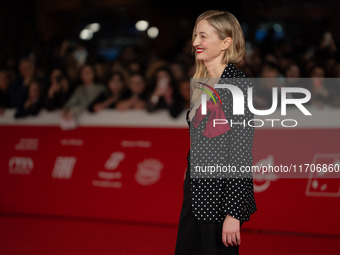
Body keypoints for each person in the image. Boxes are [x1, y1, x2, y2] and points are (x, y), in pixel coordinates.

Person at [175, 10, 257, 255]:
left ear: (226, 42)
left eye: (203, 36)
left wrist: (233, 213)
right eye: (195, 35)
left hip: (220, 200)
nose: (195, 42)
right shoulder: (203, 84)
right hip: (195, 195)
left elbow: (240, 154)